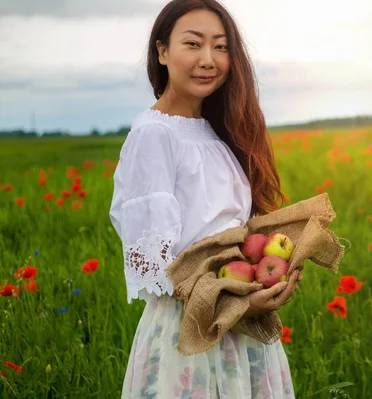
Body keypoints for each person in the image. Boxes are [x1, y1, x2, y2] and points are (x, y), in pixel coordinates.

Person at [108, 1, 301, 397]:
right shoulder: (154, 134)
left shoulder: (215, 132)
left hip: (238, 327)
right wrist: (241, 303)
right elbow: (156, 269)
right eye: (193, 44)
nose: (208, 60)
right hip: (190, 335)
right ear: (162, 52)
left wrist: (263, 281)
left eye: (221, 47)